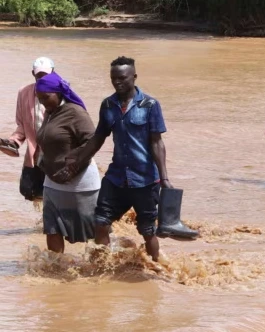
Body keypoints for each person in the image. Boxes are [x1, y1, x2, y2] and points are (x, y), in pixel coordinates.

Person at [62, 57, 176, 261]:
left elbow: (157, 142)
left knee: (147, 230)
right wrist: (77, 162)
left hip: (145, 180)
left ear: (134, 77)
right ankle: (102, 269)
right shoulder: (108, 105)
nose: (117, 82)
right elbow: (98, 138)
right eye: (113, 78)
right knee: (100, 222)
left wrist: (165, 179)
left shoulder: (150, 105)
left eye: (122, 78)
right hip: (116, 178)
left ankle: (157, 268)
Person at [33, 72, 101, 254]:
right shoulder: (50, 113)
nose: (43, 103)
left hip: (81, 183)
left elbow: (93, 141)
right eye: (39, 99)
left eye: (46, 98)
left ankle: (101, 273)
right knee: (51, 228)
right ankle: (57, 270)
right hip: (52, 181)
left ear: (59, 93)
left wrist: (74, 165)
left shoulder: (75, 112)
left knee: (94, 232)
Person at [2, 57, 57, 202]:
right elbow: (22, 125)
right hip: (35, 152)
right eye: (39, 75)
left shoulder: (62, 92)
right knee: (29, 191)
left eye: (46, 75)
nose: (42, 78)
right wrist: (12, 142)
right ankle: (43, 223)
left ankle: (52, 223)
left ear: (53, 73)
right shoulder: (24, 93)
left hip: (56, 153)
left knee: (56, 195)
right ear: (33, 74)